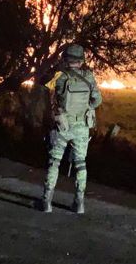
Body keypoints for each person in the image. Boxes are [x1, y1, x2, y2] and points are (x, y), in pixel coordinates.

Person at [39, 43, 102, 215]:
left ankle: (46, 202)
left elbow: (43, 86)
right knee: (81, 164)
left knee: (54, 162)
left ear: (66, 59)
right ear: (81, 60)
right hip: (82, 127)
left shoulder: (58, 76)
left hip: (62, 125)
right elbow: (97, 101)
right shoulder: (89, 77)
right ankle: (79, 204)